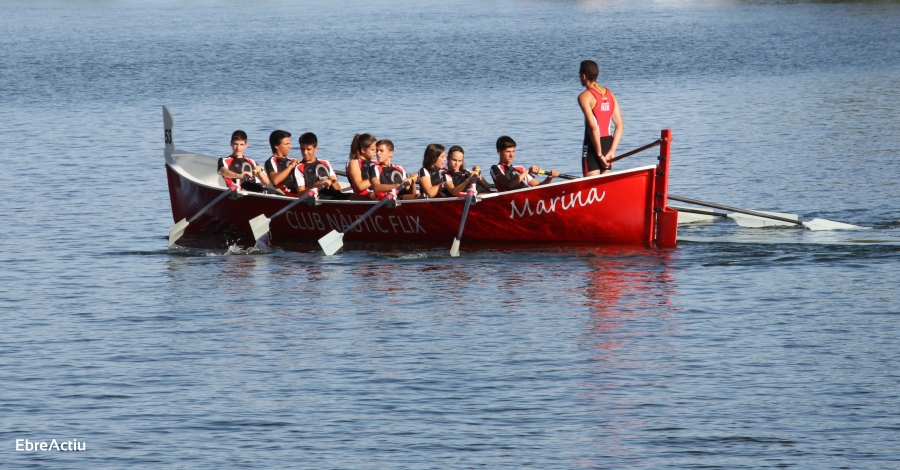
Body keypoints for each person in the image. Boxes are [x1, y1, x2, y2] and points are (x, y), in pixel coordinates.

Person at [578, 59, 624, 176]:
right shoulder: (610, 94)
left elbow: (593, 128)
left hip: (592, 145)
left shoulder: (584, 97)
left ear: (584, 76)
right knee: (604, 185)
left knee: (591, 185)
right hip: (608, 144)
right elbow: (620, 125)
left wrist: (598, 154)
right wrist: (612, 151)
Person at [489, 136, 558, 192]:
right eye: (508, 152)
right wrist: (528, 171)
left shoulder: (520, 169)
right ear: (499, 152)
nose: (511, 155)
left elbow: (539, 187)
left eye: (513, 151)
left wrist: (549, 178)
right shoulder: (495, 168)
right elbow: (509, 185)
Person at [294, 132, 347, 199]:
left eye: (308, 149)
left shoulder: (325, 163)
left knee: (356, 197)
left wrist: (333, 182)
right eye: (302, 149)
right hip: (317, 198)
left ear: (316, 148)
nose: (305, 152)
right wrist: (317, 184)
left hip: (333, 196)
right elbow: (301, 194)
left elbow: (339, 190)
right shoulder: (299, 168)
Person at [264, 130, 302, 195]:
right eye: (286, 144)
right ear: (276, 145)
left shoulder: (292, 160)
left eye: (289, 143)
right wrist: (291, 166)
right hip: (288, 194)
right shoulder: (271, 161)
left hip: (301, 190)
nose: (290, 146)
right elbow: (275, 180)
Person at [346, 133, 378, 200]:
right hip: (363, 196)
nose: (376, 152)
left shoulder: (375, 162)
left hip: (376, 191)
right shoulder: (353, 163)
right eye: (373, 150)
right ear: (363, 150)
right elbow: (360, 186)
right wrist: (378, 177)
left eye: (376, 149)